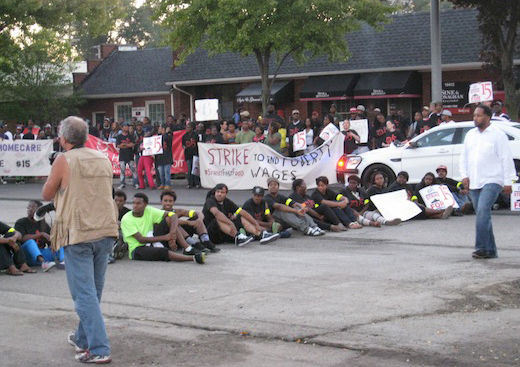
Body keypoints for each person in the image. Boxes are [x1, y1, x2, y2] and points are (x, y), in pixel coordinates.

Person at [41, 116, 118, 363]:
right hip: (105, 229)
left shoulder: (65, 160)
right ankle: (83, 338)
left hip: (79, 231)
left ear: (63, 139)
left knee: (83, 294)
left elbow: (47, 192)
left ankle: (99, 348)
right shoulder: (103, 157)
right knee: (93, 291)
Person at [460, 104, 516, 259]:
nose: (475, 118)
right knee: (482, 215)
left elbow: (506, 158)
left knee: (483, 211)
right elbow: (464, 157)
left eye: (478, 115)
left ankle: (481, 248)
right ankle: (491, 250)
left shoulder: (497, 135)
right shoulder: (470, 135)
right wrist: (464, 175)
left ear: (487, 117)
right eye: (474, 116)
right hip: (475, 179)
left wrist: (509, 181)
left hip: (493, 179)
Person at [121, 193, 206, 264]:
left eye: (138, 203)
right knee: (163, 252)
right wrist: (167, 237)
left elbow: (172, 215)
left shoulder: (149, 210)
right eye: (134, 203)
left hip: (155, 239)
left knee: (170, 219)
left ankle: (189, 247)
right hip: (138, 248)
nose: (135, 206)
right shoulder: (126, 218)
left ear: (145, 205)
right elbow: (141, 239)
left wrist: (172, 235)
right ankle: (193, 258)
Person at [15, 200, 63, 271]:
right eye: (28, 207)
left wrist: (53, 243)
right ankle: (44, 263)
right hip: (26, 255)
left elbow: (51, 240)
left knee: (61, 242)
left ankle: (63, 261)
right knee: (30, 242)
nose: (30, 209)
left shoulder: (43, 224)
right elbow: (22, 239)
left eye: (33, 207)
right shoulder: (21, 222)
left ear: (39, 210)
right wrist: (41, 234)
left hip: (42, 253)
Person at [116, 122, 138, 189]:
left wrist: (125, 145)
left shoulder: (130, 136)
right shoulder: (119, 136)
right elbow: (118, 145)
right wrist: (126, 145)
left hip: (130, 155)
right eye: (125, 126)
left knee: (133, 169)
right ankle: (122, 183)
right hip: (122, 156)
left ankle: (135, 183)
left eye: (127, 126)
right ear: (122, 128)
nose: (127, 128)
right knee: (122, 170)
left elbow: (133, 144)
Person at [182, 122, 200, 189]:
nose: (187, 128)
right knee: (189, 169)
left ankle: (197, 183)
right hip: (188, 154)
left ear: (192, 128)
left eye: (188, 127)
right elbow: (183, 144)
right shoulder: (184, 136)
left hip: (195, 153)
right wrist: (184, 147)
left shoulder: (195, 135)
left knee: (195, 169)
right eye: (186, 127)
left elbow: (198, 144)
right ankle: (190, 183)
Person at [155, 124, 173, 190]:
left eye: (160, 128)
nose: (158, 130)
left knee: (166, 172)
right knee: (161, 173)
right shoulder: (157, 137)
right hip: (159, 158)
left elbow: (168, 138)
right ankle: (162, 184)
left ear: (163, 129)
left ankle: (168, 184)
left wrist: (166, 132)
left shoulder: (168, 136)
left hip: (167, 157)